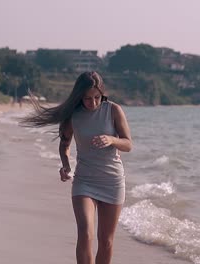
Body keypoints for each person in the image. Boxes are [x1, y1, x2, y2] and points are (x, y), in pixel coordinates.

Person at [21, 71, 132, 264]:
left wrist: (112, 139)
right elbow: (64, 146)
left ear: (102, 93)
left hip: (112, 181)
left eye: (97, 97)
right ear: (79, 96)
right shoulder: (73, 116)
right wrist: (65, 166)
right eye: (87, 98)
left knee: (106, 241)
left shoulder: (113, 110)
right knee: (85, 233)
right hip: (84, 182)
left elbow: (128, 144)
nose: (93, 103)